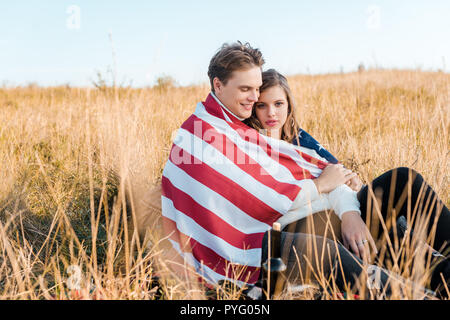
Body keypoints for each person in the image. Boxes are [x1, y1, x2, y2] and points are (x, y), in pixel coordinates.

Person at [244, 68, 450, 298]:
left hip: (342, 216)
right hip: (308, 230)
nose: (271, 113)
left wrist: (349, 212)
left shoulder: (302, 142)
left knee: (403, 180)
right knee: (385, 237)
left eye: (279, 103)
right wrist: (322, 186)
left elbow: (337, 179)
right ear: (252, 108)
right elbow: (271, 203)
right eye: (262, 105)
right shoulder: (251, 148)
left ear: (289, 105)